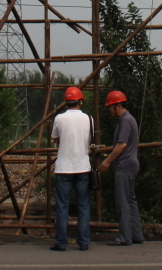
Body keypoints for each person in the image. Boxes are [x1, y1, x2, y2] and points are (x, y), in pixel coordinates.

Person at [97, 90, 144, 246]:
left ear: (118, 105)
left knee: (122, 202)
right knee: (131, 200)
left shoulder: (125, 121)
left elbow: (122, 144)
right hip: (131, 164)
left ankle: (125, 236)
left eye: (110, 107)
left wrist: (107, 161)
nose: (109, 110)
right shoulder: (129, 119)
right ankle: (136, 234)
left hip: (124, 165)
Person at [50, 86, 93, 252]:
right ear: (80, 101)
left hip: (63, 168)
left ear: (66, 102)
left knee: (62, 206)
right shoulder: (89, 119)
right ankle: (84, 242)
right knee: (83, 205)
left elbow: (55, 138)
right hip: (83, 167)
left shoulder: (59, 119)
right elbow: (88, 139)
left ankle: (61, 243)